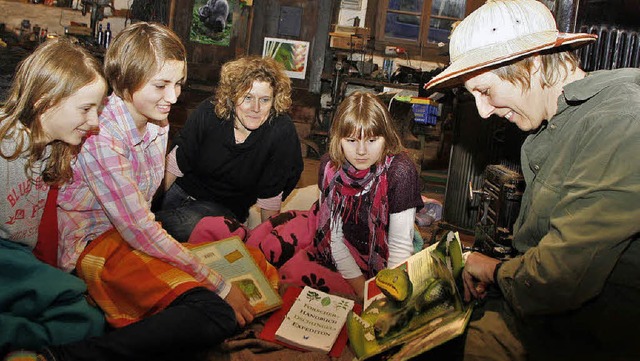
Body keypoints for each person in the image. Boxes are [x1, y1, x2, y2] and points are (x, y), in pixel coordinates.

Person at [424, 0, 640, 359]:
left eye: (485, 90)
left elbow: (559, 280)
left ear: (533, 62)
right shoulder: (551, 126)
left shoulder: (620, 123)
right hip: (542, 320)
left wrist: (492, 270)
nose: (483, 111)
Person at [45, 22, 253, 361]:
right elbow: (139, 228)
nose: (173, 97)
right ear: (126, 79)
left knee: (239, 255)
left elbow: (143, 214)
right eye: (161, 85)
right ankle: (64, 356)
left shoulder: (158, 121)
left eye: (178, 84)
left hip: (126, 235)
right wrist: (219, 284)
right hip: (91, 245)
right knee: (214, 310)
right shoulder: (103, 135)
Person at [192, 91, 423, 302]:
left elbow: (400, 247)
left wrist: (381, 296)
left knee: (295, 279)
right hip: (326, 232)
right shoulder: (330, 167)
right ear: (338, 139)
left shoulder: (400, 171)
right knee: (266, 247)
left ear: (387, 138)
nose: (361, 151)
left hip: (379, 251)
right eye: (351, 140)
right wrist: (361, 288)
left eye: (372, 140)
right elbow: (333, 237)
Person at [0, 38, 106, 356]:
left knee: (86, 314)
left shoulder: (53, 149)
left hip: (20, 259)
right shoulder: (6, 142)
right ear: (47, 100)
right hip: (6, 257)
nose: (95, 122)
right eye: (86, 109)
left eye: (98, 110)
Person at [155, 55, 303, 242]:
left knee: (187, 225)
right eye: (247, 97)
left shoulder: (280, 131)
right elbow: (174, 164)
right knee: (143, 215)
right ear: (233, 96)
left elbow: (272, 194)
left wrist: (265, 241)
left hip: (222, 209)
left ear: (274, 101)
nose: (255, 108)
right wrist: (151, 204)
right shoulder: (209, 112)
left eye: (265, 100)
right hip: (179, 191)